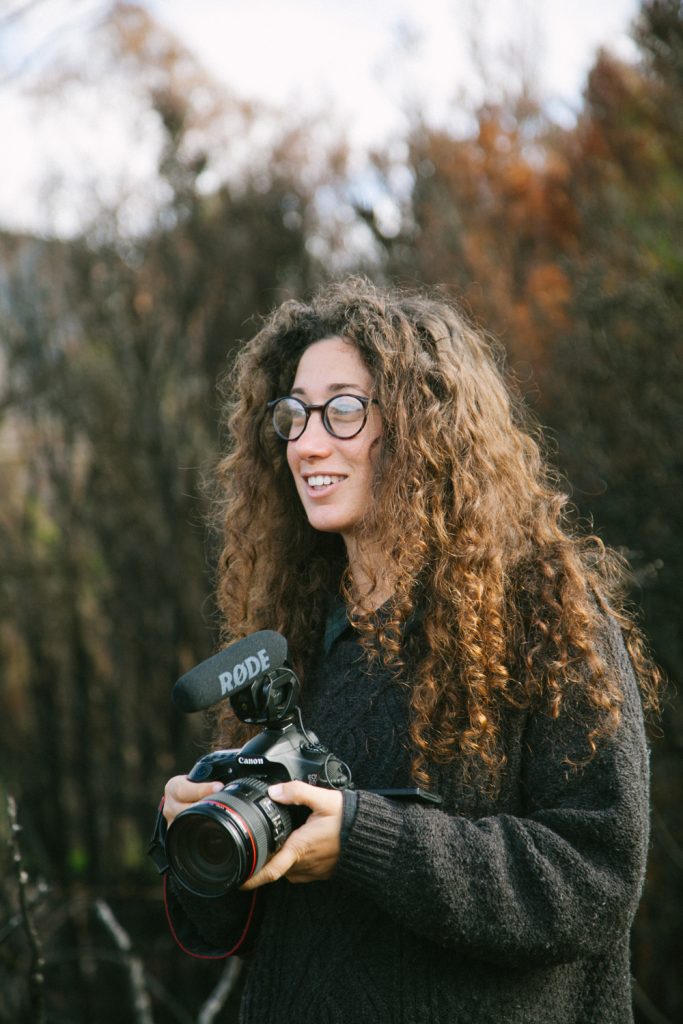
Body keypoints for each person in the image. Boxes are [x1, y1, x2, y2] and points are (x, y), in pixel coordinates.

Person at [155, 277, 660, 1024]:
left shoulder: (546, 620)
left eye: (344, 410)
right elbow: (238, 933)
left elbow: (595, 877)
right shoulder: (288, 631)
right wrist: (203, 843)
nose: (308, 442)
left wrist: (363, 840)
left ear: (426, 425)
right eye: (292, 415)